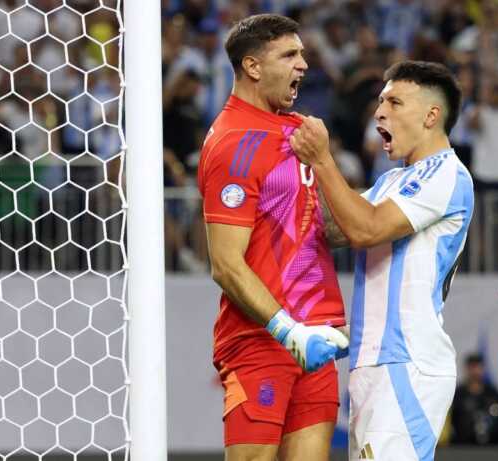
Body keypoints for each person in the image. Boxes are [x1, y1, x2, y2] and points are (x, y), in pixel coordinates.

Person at [291, 60, 474, 461]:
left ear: (431, 116)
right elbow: (334, 229)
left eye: (394, 101)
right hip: (373, 361)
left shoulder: (447, 174)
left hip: (407, 362)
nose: (379, 112)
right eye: (379, 102)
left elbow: (365, 230)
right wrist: (295, 173)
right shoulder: (393, 180)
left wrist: (323, 161)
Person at [197, 14, 349, 461]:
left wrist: (326, 163)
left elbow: (334, 229)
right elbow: (225, 264)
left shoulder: (300, 132)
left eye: (302, 53)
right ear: (253, 67)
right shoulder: (233, 142)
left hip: (315, 340)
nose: (304, 63)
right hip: (262, 340)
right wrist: (289, 331)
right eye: (290, 54)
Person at [449, 354, 498, 446]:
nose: (475, 371)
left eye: (478, 367)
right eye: (472, 367)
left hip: (493, 448)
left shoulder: (493, 393)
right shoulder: (458, 394)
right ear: (467, 369)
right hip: (463, 448)